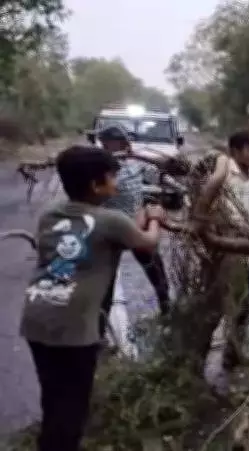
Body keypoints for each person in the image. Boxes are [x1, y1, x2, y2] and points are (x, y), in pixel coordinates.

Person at [20, 145, 163, 451]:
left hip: (36, 317)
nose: (117, 183)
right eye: (112, 177)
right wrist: (155, 218)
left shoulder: (50, 213)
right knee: (73, 407)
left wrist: (135, 222)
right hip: (73, 328)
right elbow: (147, 244)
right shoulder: (111, 220)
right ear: (96, 185)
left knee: (53, 397)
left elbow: (103, 236)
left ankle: (49, 443)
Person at [196, 130, 249, 371]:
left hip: (241, 247)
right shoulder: (223, 175)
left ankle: (231, 355)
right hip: (224, 246)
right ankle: (197, 360)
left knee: (244, 304)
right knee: (220, 306)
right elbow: (207, 211)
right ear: (235, 151)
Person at [97, 125, 172, 316]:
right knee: (105, 281)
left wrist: (166, 173)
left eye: (111, 143)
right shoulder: (98, 167)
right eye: (104, 144)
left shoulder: (136, 163)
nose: (107, 146)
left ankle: (167, 310)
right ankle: (101, 323)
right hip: (111, 228)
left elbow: (158, 176)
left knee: (156, 272)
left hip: (137, 223)